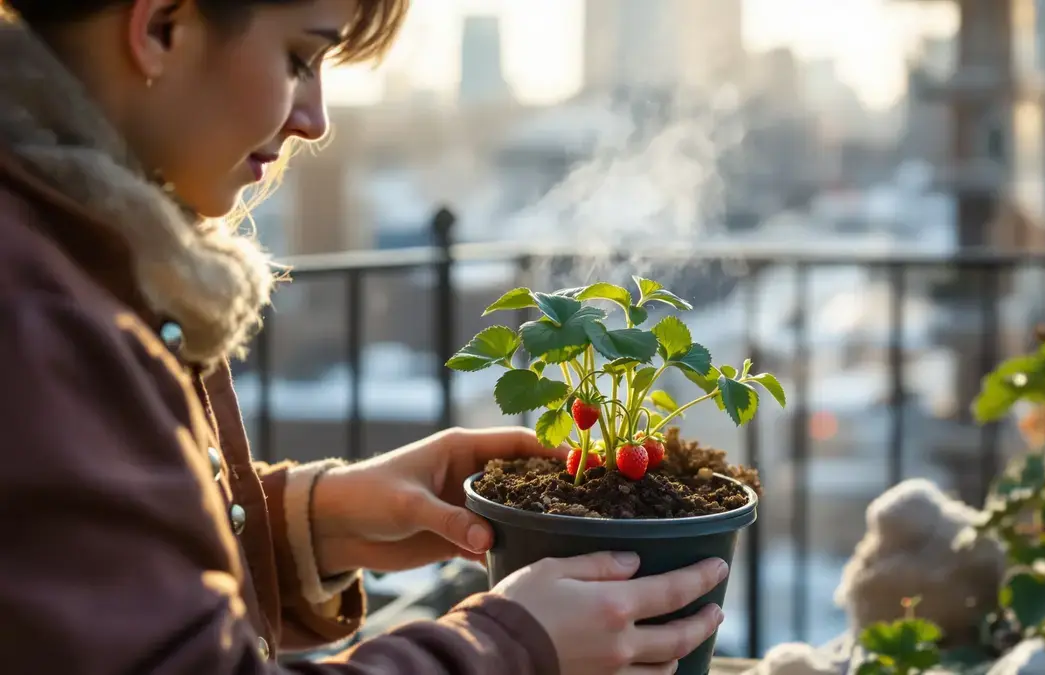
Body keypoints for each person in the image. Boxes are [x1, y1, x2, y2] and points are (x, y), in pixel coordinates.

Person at [0, 1, 730, 674]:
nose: (315, 120)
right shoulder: (37, 312)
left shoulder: (72, 245)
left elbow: (93, 598)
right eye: (299, 59)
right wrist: (511, 646)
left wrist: (310, 523)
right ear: (161, 25)